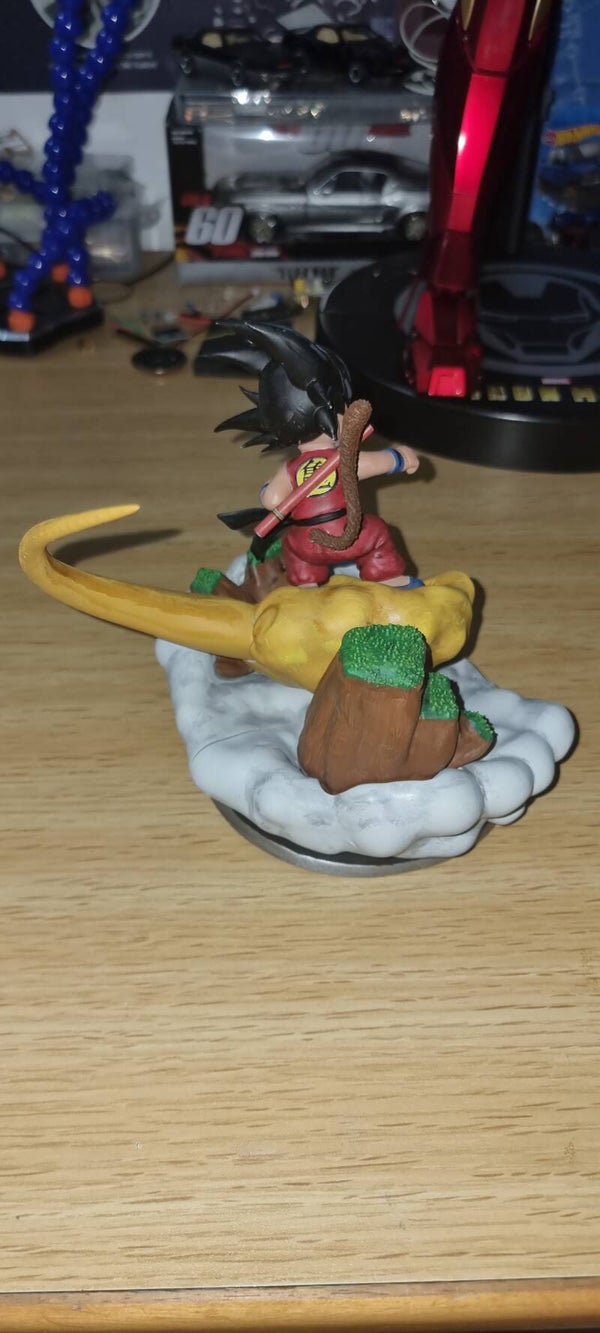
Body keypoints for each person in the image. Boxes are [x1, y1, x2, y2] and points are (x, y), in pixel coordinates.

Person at [214, 319, 420, 587]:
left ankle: (306, 581)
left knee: (292, 545)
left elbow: (271, 499)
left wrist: (268, 487)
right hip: (347, 537)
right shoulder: (346, 459)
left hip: (307, 543)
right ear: (331, 414)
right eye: (343, 407)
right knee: (378, 532)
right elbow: (378, 463)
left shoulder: (289, 469)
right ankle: (388, 579)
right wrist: (401, 458)